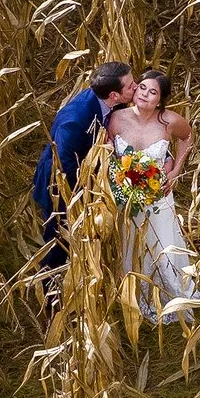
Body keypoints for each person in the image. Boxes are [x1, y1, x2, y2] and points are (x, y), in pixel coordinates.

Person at [31, 60, 136, 304]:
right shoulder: (75, 120)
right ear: (114, 95)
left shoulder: (106, 102)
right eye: (131, 85)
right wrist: (89, 190)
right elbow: (65, 166)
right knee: (58, 240)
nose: (136, 87)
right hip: (62, 189)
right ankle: (51, 297)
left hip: (87, 182)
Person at [105, 68, 198, 323]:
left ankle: (172, 296)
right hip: (127, 200)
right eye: (142, 88)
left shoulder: (169, 121)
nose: (145, 94)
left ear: (161, 99)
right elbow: (106, 151)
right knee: (131, 246)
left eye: (153, 92)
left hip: (158, 200)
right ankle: (136, 296)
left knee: (163, 247)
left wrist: (176, 169)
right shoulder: (116, 119)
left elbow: (187, 137)